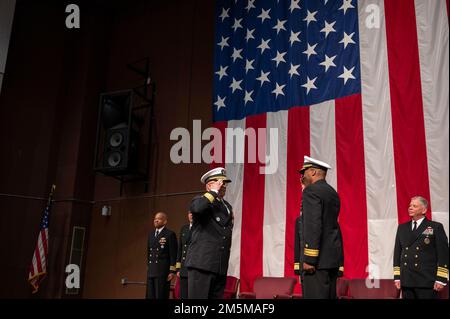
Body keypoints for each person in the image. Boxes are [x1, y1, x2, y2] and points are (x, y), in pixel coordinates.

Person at [296, 156, 344, 299]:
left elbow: (313, 225)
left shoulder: (311, 192)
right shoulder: (332, 193)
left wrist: (310, 259)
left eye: (304, 172)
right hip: (331, 261)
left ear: (312, 172)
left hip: (316, 263)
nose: (302, 176)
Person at [186, 167, 233, 299]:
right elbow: (197, 208)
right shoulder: (199, 200)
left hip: (219, 265)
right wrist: (213, 192)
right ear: (208, 185)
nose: (222, 185)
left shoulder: (227, 206)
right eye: (219, 182)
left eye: (224, 183)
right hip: (202, 263)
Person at [393, 196, 449, 299]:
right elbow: (397, 253)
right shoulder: (402, 228)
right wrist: (397, 277)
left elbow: (443, 254)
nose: (410, 208)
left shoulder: (435, 227)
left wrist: (441, 278)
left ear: (424, 210)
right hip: (407, 280)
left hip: (426, 280)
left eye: (414, 206)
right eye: (410, 205)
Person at [146, 211, 177, 299]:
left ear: (165, 221)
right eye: (155, 219)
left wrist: (172, 271)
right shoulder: (151, 234)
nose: (156, 220)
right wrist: (148, 266)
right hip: (152, 270)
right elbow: (149, 252)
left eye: (159, 219)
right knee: (150, 295)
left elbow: (173, 253)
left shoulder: (169, 234)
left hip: (162, 271)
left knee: (160, 295)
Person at [176, 211, 193, 299]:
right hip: (183, 268)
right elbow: (180, 248)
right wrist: (178, 268)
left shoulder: (200, 229)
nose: (191, 215)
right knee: (183, 295)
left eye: (193, 213)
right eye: (190, 213)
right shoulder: (184, 228)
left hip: (194, 268)